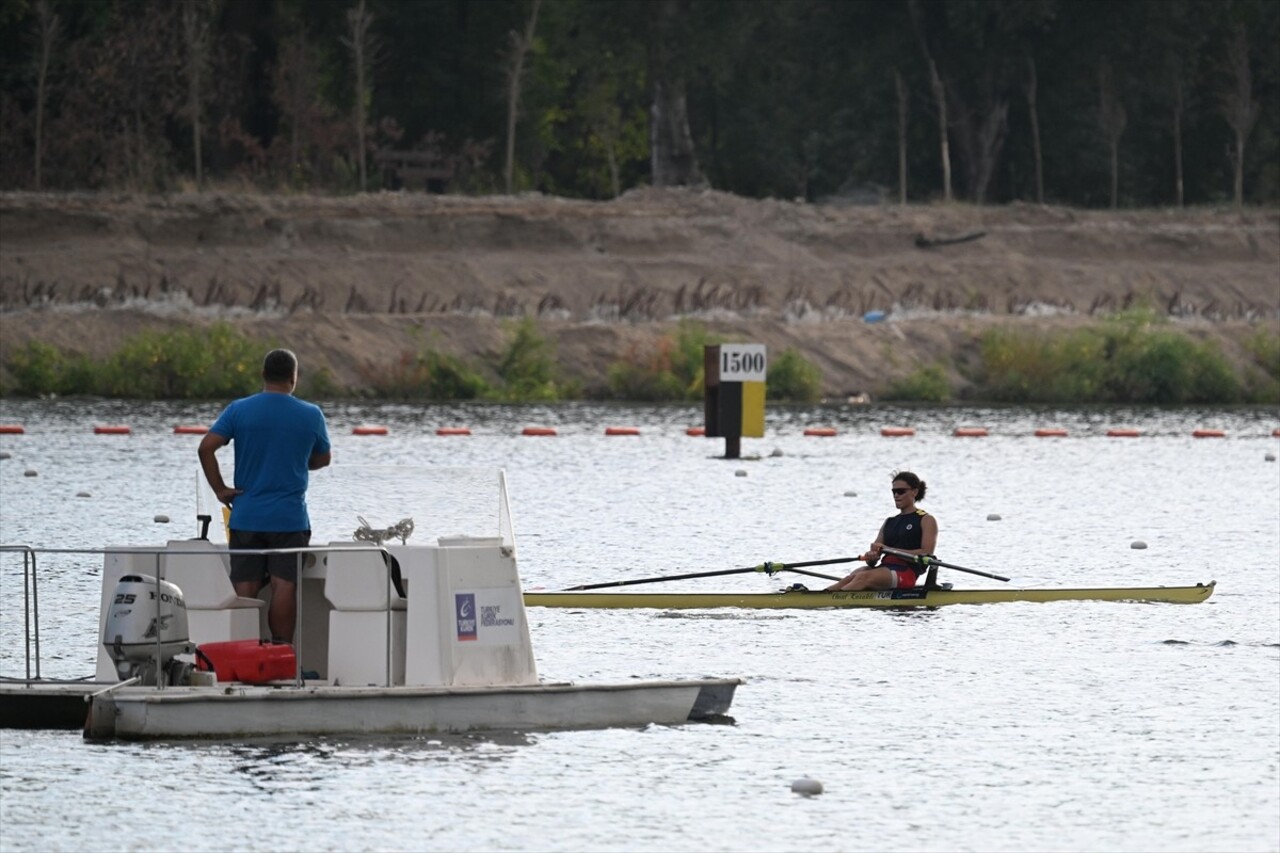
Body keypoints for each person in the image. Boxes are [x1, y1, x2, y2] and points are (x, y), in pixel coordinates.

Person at [197, 349, 331, 643]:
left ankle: (242, 650)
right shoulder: (311, 414)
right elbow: (323, 459)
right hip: (289, 519)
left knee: (244, 588)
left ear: (263, 375)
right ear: (293, 378)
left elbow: (206, 447)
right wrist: (296, 461)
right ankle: (281, 652)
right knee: (285, 586)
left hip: (246, 516)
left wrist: (221, 490)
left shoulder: (239, 409)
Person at [826, 471, 937, 591]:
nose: (896, 495)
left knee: (863, 577)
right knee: (854, 576)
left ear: (914, 492)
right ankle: (823, 595)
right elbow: (872, 561)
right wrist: (871, 557)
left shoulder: (926, 520)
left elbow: (927, 553)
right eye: (893, 492)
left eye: (900, 491)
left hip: (906, 573)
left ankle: (830, 602)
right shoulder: (889, 522)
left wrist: (887, 549)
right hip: (884, 569)